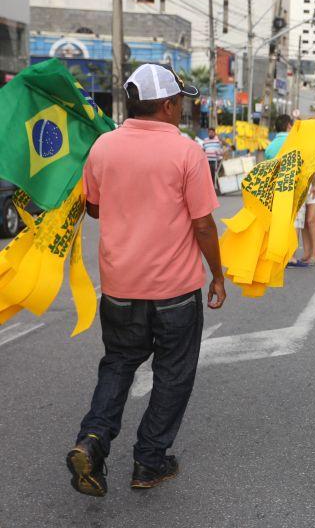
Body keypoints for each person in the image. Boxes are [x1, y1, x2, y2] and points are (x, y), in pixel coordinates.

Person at [67, 64, 226, 497]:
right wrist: (218, 275)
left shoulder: (103, 147)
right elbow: (204, 225)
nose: (182, 111)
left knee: (117, 365)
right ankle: (149, 463)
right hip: (174, 293)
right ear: (169, 104)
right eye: (181, 103)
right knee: (173, 376)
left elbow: (94, 208)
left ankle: (92, 441)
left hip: (119, 289)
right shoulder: (186, 152)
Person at [288, 142, 315, 267]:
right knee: (303, 223)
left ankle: (314, 254)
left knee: (311, 220)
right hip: (302, 186)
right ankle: (306, 254)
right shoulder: (303, 146)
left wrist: (313, 167)